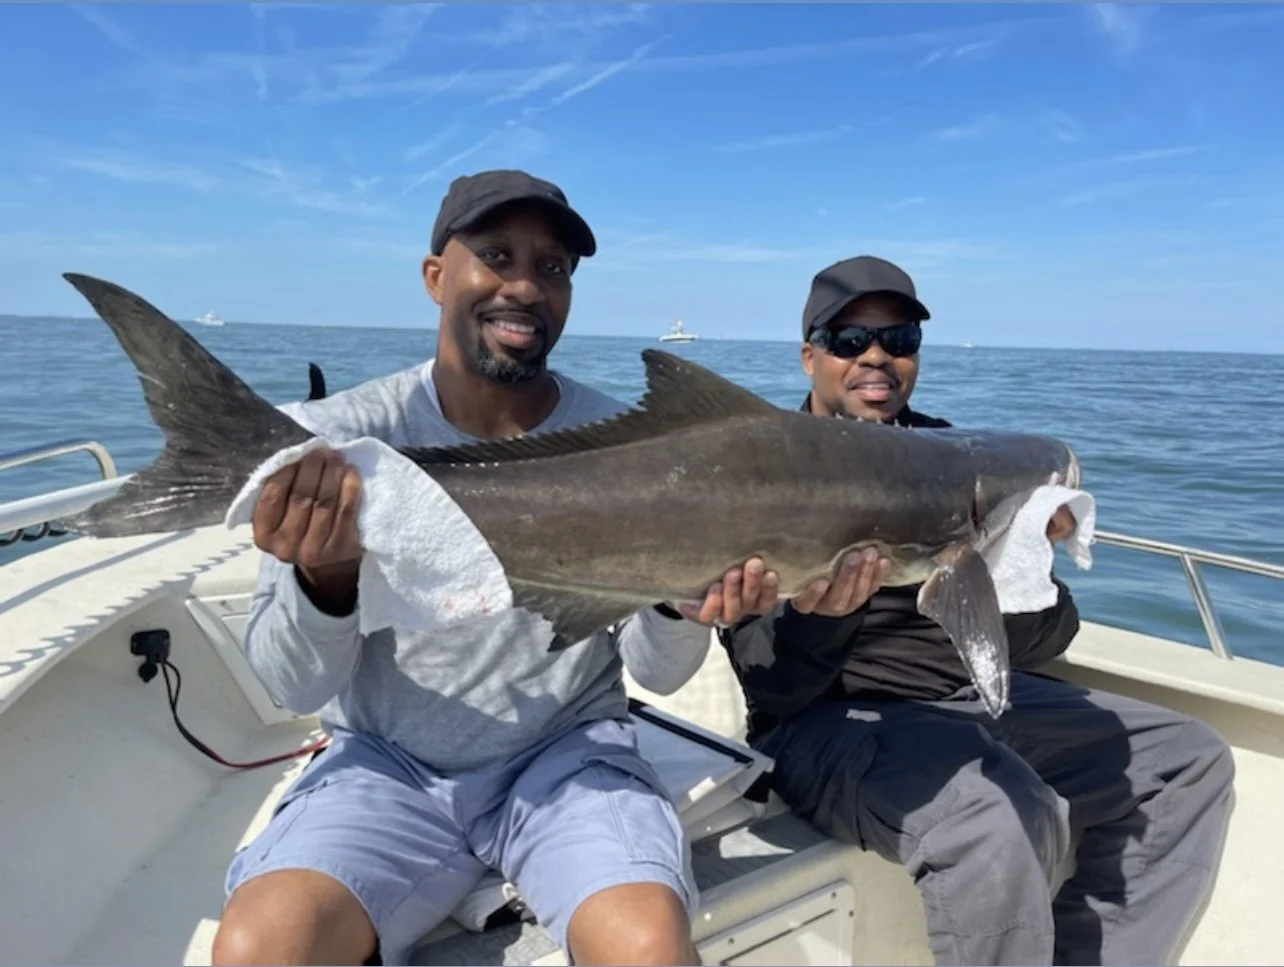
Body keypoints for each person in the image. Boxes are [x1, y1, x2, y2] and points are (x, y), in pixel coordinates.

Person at [212, 169, 783, 967]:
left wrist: (682, 601)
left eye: (552, 268)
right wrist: (325, 579)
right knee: (259, 945)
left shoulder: (632, 444)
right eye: (496, 254)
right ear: (435, 275)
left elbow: (654, 671)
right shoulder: (342, 440)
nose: (524, 285)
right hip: (387, 763)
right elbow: (293, 686)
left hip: (568, 755)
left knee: (649, 946)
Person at [717, 255, 1236, 966]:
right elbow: (769, 688)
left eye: (899, 339)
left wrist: (1028, 573)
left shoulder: (961, 459)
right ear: (810, 356)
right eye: (849, 339)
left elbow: (1045, 637)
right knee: (998, 815)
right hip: (828, 723)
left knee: (1189, 759)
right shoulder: (761, 470)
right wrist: (828, 616)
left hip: (971, 697)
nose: (877, 356)